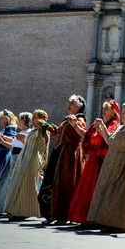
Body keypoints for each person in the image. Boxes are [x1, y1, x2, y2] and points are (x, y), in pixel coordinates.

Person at [87, 101, 125, 233]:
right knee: (108, 193)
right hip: (111, 165)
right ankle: (108, 222)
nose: (122, 115)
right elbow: (110, 141)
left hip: (124, 166)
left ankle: (120, 224)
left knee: (117, 194)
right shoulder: (120, 128)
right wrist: (102, 128)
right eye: (122, 113)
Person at [69, 100, 120, 224]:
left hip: (104, 160)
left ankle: (97, 217)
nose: (104, 111)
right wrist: (75, 125)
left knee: (98, 188)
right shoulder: (97, 124)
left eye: (107, 109)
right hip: (93, 160)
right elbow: (86, 135)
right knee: (87, 188)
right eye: (104, 108)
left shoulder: (114, 125)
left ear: (113, 113)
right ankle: (86, 216)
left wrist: (102, 129)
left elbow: (110, 140)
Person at [42, 95, 87, 225]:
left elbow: (83, 133)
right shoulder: (67, 118)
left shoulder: (79, 119)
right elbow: (58, 132)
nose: (69, 105)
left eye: (72, 103)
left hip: (69, 154)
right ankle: (53, 213)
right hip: (59, 152)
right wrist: (47, 127)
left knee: (65, 183)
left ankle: (63, 214)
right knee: (53, 181)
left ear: (78, 106)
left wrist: (75, 124)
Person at [4, 110, 53, 221]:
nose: (33, 119)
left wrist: (43, 127)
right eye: (33, 117)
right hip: (24, 158)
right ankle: (17, 210)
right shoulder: (33, 130)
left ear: (41, 118)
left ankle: (25, 211)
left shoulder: (44, 129)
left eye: (35, 117)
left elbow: (46, 140)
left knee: (28, 185)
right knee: (19, 184)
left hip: (33, 160)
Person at [0, 112, 31, 215]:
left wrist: (2, 139)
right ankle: (2, 207)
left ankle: (12, 208)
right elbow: (12, 146)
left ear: (24, 121)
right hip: (13, 158)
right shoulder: (20, 132)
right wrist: (1, 140)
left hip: (19, 159)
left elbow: (25, 146)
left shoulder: (27, 132)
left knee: (12, 184)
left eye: (20, 119)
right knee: (4, 184)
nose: (18, 121)